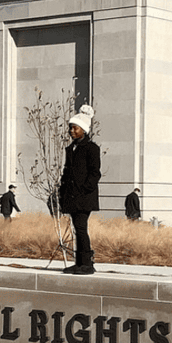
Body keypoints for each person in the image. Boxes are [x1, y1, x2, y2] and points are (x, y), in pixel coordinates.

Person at [59, 104, 102, 274]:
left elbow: (94, 173)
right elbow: (67, 171)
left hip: (84, 197)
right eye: (70, 128)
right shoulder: (71, 149)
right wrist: (62, 190)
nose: (71, 131)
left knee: (81, 228)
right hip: (72, 196)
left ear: (83, 129)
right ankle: (79, 263)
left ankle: (87, 264)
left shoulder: (92, 148)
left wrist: (84, 189)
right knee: (77, 228)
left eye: (75, 128)